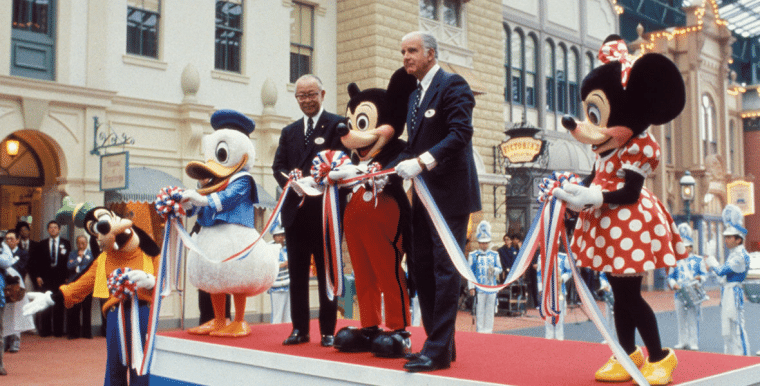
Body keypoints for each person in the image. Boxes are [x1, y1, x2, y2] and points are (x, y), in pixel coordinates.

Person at [391, 31, 481, 372]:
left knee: (445, 271)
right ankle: (439, 343)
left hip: (450, 196)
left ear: (431, 53)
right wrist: (374, 168)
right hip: (423, 196)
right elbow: (410, 148)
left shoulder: (452, 84)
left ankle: (438, 350)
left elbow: (460, 134)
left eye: (412, 50)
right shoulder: (415, 97)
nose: (406, 57)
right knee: (422, 268)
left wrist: (423, 161)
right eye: (403, 51)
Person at [272, 74, 346, 347]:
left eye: (311, 94)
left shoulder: (337, 125)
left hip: (325, 214)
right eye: (301, 96)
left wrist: (317, 181)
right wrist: (290, 181)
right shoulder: (289, 132)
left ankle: (328, 330)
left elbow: (344, 166)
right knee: (298, 276)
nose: (306, 100)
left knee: (328, 274)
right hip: (295, 214)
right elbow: (277, 167)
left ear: (322, 94)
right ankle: (299, 329)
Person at [705, 204, 750, 356]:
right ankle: (731, 356)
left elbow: (721, 270)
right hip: (727, 291)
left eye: (729, 237)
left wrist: (711, 258)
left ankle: (744, 358)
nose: (726, 240)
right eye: (725, 237)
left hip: (734, 293)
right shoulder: (733, 254)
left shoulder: (740, 255)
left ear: (738, 239)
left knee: (737, 328)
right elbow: (721, 277)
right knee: (728, 329)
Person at [28, 221, 71, 337]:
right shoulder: (41, 244)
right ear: (47, 230)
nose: (53, 230)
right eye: (50, 228)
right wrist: (37, 276)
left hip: (60, 279)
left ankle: (58, 331)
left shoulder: (66, 244)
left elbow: (69, 262)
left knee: (59, 304)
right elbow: (35, 262)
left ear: (59, 230)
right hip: (45, 278)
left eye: (55, 228)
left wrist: (67, 277)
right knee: (45, 303)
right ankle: (45, 330)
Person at [668, 223, 706, 351]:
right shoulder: (675, 261)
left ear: (691, 247)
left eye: (687, 247)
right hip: (679, 293)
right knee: (681, 319)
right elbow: (670, 277)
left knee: (692, 318)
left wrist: (699, 279)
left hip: (693, 292)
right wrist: (674, 284)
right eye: (683, 247)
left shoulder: (698, 260)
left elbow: (704, 274)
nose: (685, 249)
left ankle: (693, 341)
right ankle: (682, 341)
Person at [467, 221, 502, 334]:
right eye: (482, 243)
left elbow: (500, 269)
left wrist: (494, 270)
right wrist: (471, 287)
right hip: (479, 287)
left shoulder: (494, 254)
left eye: (486, 243)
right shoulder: (473, 255)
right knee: (480, 309)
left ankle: (488, 330)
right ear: (478, 243)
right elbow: (470, 273)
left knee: (490, 310)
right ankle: (480, 329)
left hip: (491, 287)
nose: (484, 245)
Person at [2, 230, 34, 353]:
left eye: (11, 238)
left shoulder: (23, 253)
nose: (8, 241)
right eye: (7, 239)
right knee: (5, 313)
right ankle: (5, 340)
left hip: (17, 285)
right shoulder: (3, 252)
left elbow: (20, 267)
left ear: (17, 240)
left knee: (17, 313)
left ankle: (15, 341)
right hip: (4, 285)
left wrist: (7, 265)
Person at [65, 235, 94, 339]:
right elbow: (69, 266)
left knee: (86, 309)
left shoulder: (91, 254)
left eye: (83, 243)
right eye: (79, 243)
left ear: (86, 244)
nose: (81, 246)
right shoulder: (72, 254)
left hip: (87, 284)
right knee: (75, 309)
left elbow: (89, 267)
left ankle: (87, 333)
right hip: (75, 284)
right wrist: (79, 258)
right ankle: (74, 333)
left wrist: (78, 265)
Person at [538, 251, 571, 340]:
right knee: (548, 314)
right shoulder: (542, 256)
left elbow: (569, 271)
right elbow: (539, 273)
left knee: (559, 315)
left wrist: (562, 278)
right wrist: (540, 288)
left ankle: (559, 337)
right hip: (547, 290)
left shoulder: (563, 257)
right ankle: (549, 336)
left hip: (559, 290)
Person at [268, 224, 291, 324]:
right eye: (278, 235)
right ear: (274, 237)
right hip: (276, 284)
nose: (281, 237)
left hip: (288, 283)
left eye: (282, 235)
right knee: (277, 313)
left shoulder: (288, 247)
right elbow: (268, 265)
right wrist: (282, 265)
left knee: (288, 314)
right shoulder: (269, 249)